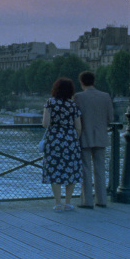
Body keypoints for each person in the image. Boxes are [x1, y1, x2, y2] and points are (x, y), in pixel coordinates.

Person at [73, 71, 114, 209]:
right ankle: (102, 200)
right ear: (94, 81)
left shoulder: (78, 97)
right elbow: (111, 118)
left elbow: (75, 118)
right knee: (100, 169)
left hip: (84, 136)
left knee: (86, 169)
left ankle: (87, 201)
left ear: (82, 82)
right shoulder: (105, 96)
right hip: (101, 135)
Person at [42, 77, 83, 211]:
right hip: (70, 140)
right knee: (71, 170)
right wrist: (73, 139)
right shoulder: (73, 105)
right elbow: (78, 127)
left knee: (54, 170)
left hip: (54, 140)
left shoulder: (50, 103)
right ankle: (68, 202)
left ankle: (57, 203)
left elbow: (45, 124)